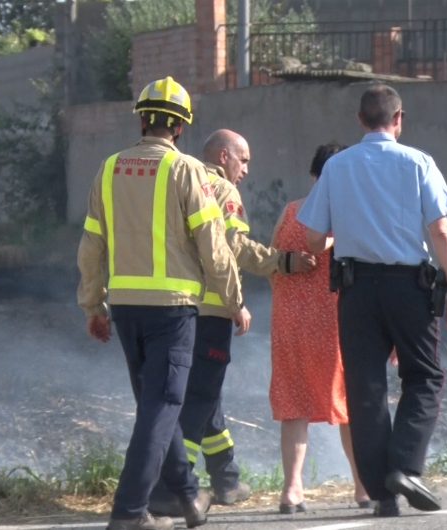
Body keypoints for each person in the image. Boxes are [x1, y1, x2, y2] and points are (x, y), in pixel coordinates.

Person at [77, 77, 252, 530]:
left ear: (141, 119)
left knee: (157, 406)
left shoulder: (109, 167)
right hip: (173, 310)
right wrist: (233, 300)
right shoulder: (188, 171)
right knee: (161, 408)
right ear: (179, 128)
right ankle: (131, 512)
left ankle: (190, 499)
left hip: (126, 308)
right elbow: (214, 245)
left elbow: (92, 244)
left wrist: (93, 305)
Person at [297, 84, 447, 517]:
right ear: (399, 119)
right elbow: (441, 231)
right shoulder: (418, 162)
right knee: (423, 377)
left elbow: (314, 238)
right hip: (411, 287)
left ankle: (381, 494)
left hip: (355, 290)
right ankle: (405, 467)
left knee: (365, 387)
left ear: (359, 120)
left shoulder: (337, 167)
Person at [149, 129, 316, 516]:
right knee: (200, 397)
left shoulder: (177, 181)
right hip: (212, 310)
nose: (246, 170)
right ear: (224, 157)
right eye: (244, 160)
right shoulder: (222, 191)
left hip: (173, 309)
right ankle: (175, 487)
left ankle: (226, 478)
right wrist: (284, 262)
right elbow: (236, 248)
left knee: (208, 394)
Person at [270, 143, 395, 514]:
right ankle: (362, 486)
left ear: (312, 174)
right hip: (335, 321)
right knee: (349, 404)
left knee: (294, 404)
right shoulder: (348, 217)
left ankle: (292, 491)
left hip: (289, 321)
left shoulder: (290, 210)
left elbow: (272, 260)